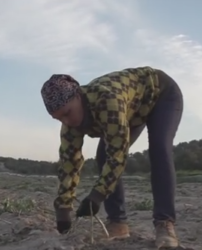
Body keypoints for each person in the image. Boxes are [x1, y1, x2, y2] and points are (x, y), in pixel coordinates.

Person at [40, 66, 183, 248]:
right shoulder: (69, 124)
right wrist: (63, 209)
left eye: (67, 113)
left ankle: (165, 223)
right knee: (102, 155)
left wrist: (97, 196)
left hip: (161, 94)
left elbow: (117, 155)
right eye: (59, 119)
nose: (67, 122)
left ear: (78, 96)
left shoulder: (107, 101)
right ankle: (117, 223)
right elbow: (69, 164)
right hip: (133, 108)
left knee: (159, 148)